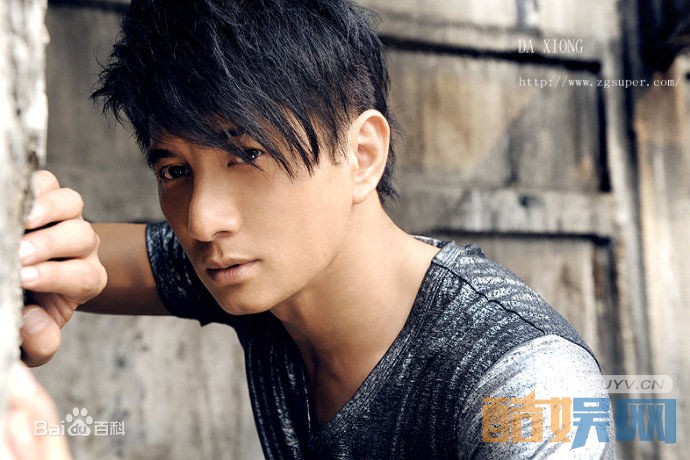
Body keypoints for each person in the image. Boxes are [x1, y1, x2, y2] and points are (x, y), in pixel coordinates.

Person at [15, 0, 614, 458]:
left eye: (246, 155)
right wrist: (30, 244)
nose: (201, 220)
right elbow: (64, 258)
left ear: (361, 155)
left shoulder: (525, 382)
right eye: (174, 170)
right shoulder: (253, 268)